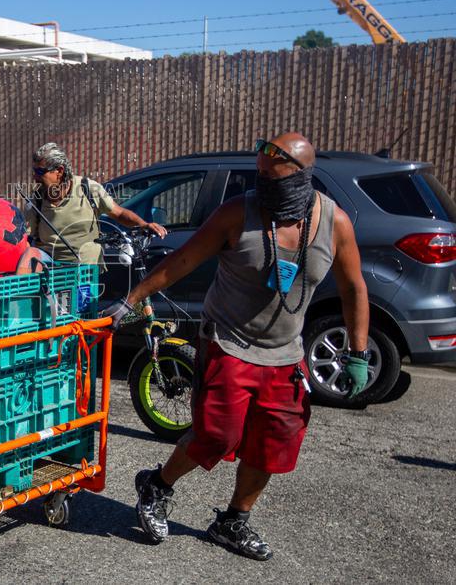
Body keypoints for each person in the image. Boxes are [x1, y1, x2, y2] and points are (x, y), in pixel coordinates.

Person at [102, 132, 370, 560]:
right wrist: (130, 301)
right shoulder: (236, 214)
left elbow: (354, 288)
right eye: (259, 177)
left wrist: (357, 352)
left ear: (302, 177)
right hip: (228, 343)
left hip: (285, 354)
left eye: (273, 180)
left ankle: (233, 520)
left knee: (273, 443)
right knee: (216, 435)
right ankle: (157, 485)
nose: (263, 188)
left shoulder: (334, 223)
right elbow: (183, 260)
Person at [28, 142, 166, 265]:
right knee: (29, 256)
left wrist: (143, 224)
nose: (35, 177)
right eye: (34, 171)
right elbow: (28, 236)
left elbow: (119, 213)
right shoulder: (37, 199)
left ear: (59, 171)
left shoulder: (87, 189)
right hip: (51, 267)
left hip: (84, 267)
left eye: (40, 171)